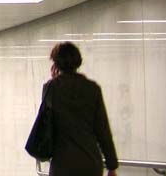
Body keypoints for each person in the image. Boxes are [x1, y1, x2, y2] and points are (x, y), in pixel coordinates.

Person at [40, 42, 118, 176]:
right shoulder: (93, 89)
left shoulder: (50, 88)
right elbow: (103, 130)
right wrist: (112, 166)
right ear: (78, 62)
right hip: (90, 163)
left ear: (56, 64)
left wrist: (53, 81)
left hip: (62, 164)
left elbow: (47, 124)